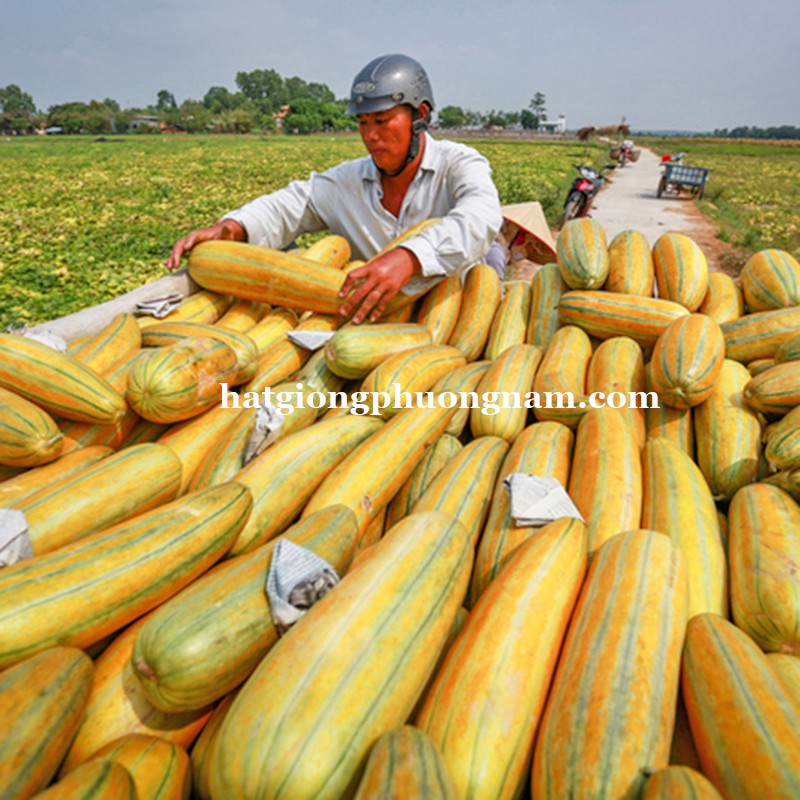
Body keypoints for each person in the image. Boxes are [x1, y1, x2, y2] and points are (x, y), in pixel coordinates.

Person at [166, 54, 503, 324]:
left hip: (448, 317)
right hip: (372, 322)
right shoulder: (347, 181)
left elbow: (481, 217)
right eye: (362, 123)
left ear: (420, 115)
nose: (370, 136)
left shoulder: (459, 164)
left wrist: (410, 258)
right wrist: (233, 227)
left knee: (493, 256)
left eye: (382, 121)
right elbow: (291, 205)